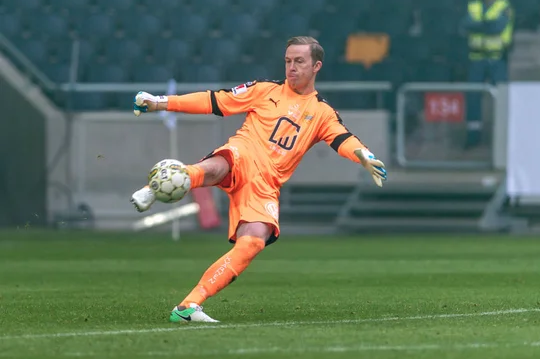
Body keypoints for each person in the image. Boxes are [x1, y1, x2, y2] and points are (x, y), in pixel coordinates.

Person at [131, 36, 388, 323]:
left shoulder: (321, 113)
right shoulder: (265, 90)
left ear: (316, 66)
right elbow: (215, 100)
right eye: (288, 61)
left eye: (299, 61)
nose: (291, 67)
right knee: (217, 168)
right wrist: (161, 103)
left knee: (252, 242)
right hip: (243, 153)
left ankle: (188, 307)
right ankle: (155, 186)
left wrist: (363, 155)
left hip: (266, 185)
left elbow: (343, 138)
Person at [461, 0, 514, 147]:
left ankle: (503, 135)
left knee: (501, 96)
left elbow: (497, 28)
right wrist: (486, 25)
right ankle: (473, 134)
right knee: (473, 97)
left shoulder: (504, 5)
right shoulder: (473, 5)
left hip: (496, 58)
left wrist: (479, 26)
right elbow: (464, 26)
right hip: (476, 58)